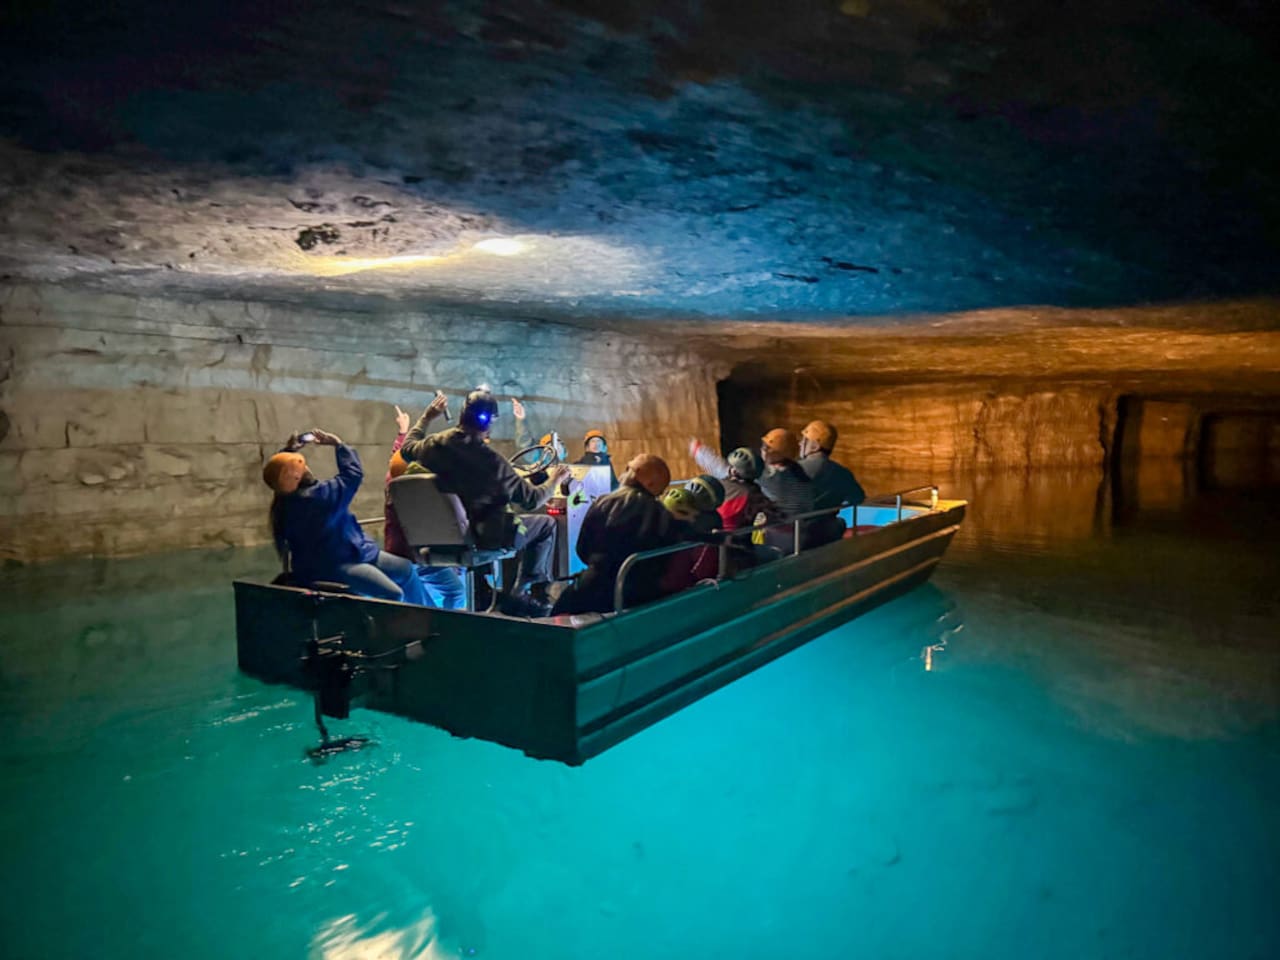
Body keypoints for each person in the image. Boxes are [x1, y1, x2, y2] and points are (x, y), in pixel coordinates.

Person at [399, 387, 569, 616]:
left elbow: (407, 449)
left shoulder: (435, 445)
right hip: (483, 538)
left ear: (461, 414)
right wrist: (555, 479)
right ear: (490, 423)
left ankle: (481, 590)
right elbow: (532, 499)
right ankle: (524, 593)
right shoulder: (493, 462)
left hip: (440, 538)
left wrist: (427, 417)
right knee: (545, 525)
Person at [263, 429, 427, 604]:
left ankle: (424, 613)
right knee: (393, 594)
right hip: (336, 564)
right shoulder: (317, 498)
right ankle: (398, 619)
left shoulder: (285, 499)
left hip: (354, 550)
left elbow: (280, 473)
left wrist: (289, 450)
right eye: (302, 466)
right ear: (296, 477)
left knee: (406, 569)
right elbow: (352, 475)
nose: (306, 467)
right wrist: (339, 445)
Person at [551, 454, 693, 615]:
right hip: (643, 595)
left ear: (643, 478)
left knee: (555, 616)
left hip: (595, 589)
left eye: (628, 468)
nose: (623, 472)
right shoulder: (664, 517)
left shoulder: (604, 502)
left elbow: (582, 549)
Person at [385, 401, 467, 609]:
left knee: (452, 594)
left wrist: (403, 432)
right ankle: (438, 623)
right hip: (414, 558)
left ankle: (439, 620)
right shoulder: (423, 494)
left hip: (404, 554)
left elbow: (398, 457)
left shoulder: (394, 483)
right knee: (450, 597)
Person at [798, 420, 865, 510]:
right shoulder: (843, 474)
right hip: (829, 519)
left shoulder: (794, 469)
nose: (800, 443)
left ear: (815, 446)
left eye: (804, 440)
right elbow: (858, 498)